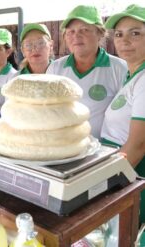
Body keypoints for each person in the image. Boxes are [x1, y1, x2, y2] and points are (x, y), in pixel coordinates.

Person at [46, 5, 128, 138]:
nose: (76, 36)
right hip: (64, 144)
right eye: (70, 31)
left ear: (100, 33)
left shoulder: (119, 68)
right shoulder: (56, 68)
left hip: (104, 150)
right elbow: (48, 109)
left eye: (84, 30)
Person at [101, 4, 145, 223]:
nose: (124, 41)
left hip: (131, 174)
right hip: (122, 168)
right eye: (119, 34)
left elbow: (139, 145)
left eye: (135, 33)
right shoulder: (133, 75)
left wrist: (107, 188)